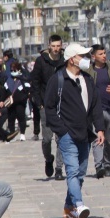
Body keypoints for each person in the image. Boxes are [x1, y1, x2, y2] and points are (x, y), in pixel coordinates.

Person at [44, 43, 105, 218]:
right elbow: (49, 108)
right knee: (71, 171)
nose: (87, 59)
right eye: (82, 56)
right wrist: (62, 131)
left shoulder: (88, 79)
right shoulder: (58, 79)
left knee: (80, 173)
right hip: (67, 134)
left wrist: (99, 128)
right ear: (72, 59)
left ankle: (69, 209)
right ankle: (79, 205)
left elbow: (95, 105)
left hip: (85, 133)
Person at [82, 45, 110, 178]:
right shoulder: (88, 70)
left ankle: (107, 163)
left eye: (104, 53)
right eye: (101, 54)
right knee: (97, 138)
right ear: (93, 56)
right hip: (94, 111)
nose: (104, 56)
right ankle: (99, 166)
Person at [30, 35, 66, 180]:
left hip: (62, 105)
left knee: (61, 138)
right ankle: (48, 159)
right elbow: (35, 83)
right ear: (49, 46)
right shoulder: (41, 61)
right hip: (45, 105)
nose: (56, 49)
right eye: (53, 46)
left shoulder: (65, 60)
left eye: (58, 46)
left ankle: (59, 169)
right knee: (46, 139)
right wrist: (39, 103)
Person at [6, 61, 30, 140]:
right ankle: (12, 134)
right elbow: (5, 89)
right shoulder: (8, 79)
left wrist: (24, 97)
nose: (13, 70)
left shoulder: (23, 78)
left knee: (21, 117)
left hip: (20, 102)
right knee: (11, 118)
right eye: (12, 68)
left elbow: (28, 88)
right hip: (11, 102)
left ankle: (22, 133)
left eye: (14, 68)